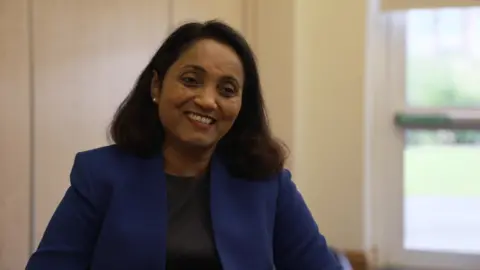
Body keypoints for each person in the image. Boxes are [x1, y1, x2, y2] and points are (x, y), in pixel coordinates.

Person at [26, 21, 342, 270]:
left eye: (227, 89)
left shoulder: (268, 184)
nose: (207, 100)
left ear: (241, 106)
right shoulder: (99, 176)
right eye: (191, 80)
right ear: (157, 86)